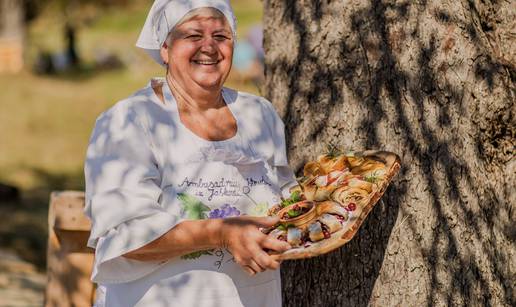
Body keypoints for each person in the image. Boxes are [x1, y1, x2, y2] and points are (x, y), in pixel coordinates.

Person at [84, 0, 296, 306]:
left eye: (221, 37)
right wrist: (221, 232)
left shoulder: (259, 114)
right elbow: (125, 237)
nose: (209, 46)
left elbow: (287, 200)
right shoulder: (128, 121)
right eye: (193, 36)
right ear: (166, 49)